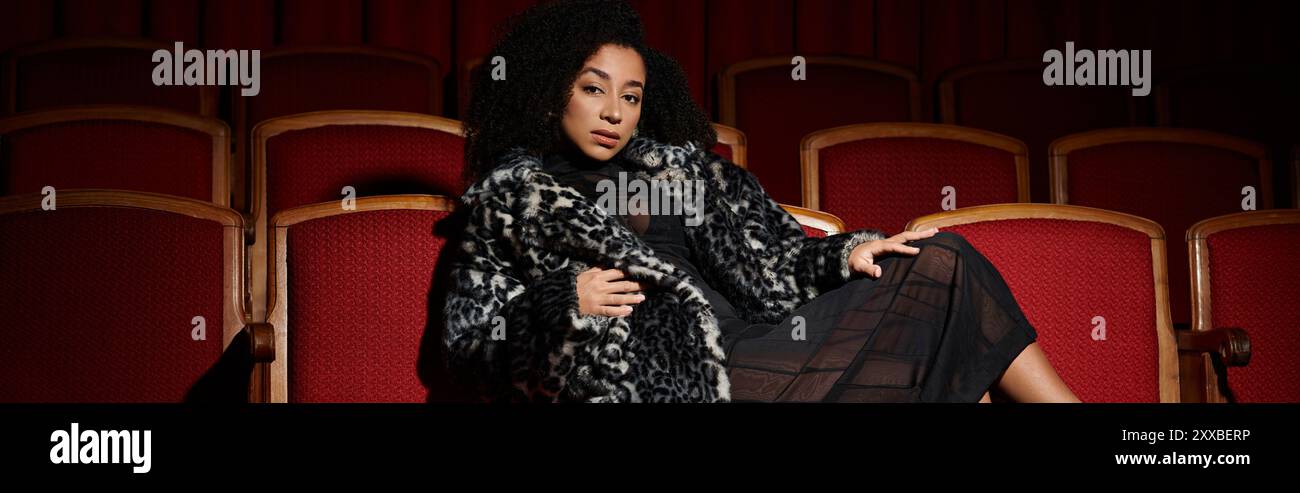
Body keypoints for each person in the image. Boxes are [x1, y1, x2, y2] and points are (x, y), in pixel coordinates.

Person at [444, 0, 1079, 403]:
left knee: (942, 258)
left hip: (763, 341)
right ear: (552, 91)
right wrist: (561, 304)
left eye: (632, 96)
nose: (615, 112)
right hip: (678, 377)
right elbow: (468, 349)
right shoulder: (507, 207)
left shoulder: (687, 173)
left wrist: (846, 255)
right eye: (594, 88)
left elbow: (779, 255)